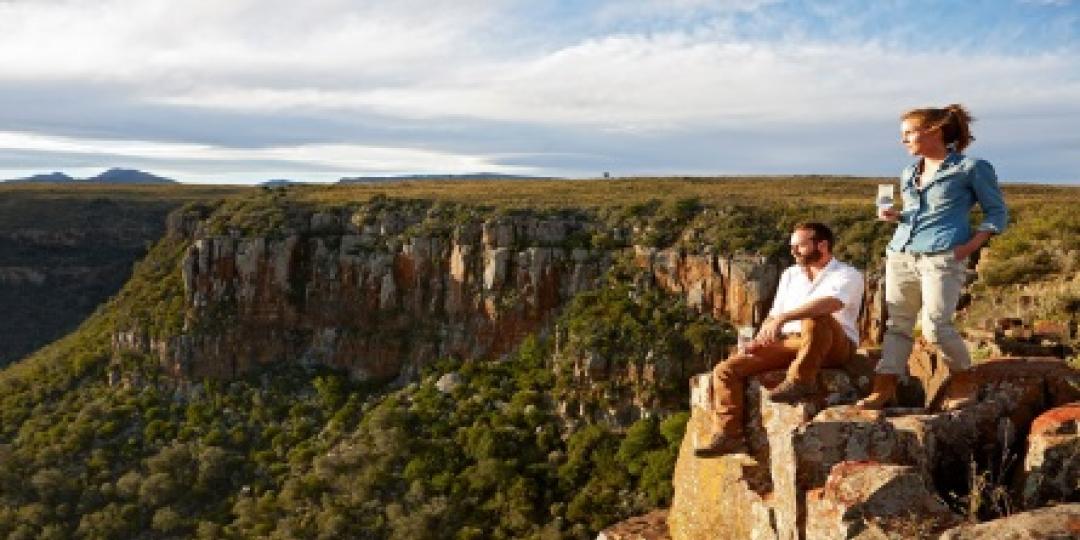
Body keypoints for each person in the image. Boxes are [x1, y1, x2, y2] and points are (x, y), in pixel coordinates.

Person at [857, 104, 1008, 410]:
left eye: (909, 133)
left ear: (934, 131)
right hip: (901, 252)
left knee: (935, 326)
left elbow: (997, 213)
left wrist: (968, 248)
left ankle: (963, 378)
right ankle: (884, 386)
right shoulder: (909, 172)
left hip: (942, 256)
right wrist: (896, 216)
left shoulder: (970, 168)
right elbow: (918, 215)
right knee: (898, 325)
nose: (904, 141)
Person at [695, 222, 864, 457]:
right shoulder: (790, 275)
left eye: (800, 246)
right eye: (792, 246)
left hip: (833, 345)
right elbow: (774, 315)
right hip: (791, 342)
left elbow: (830, 303)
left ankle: (801, 379)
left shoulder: (847, 274)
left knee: (816, 318)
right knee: (726, 370)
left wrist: (786, 317)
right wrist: (760, 339)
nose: (793, 251)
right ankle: (729, 435)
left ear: (822, 245)